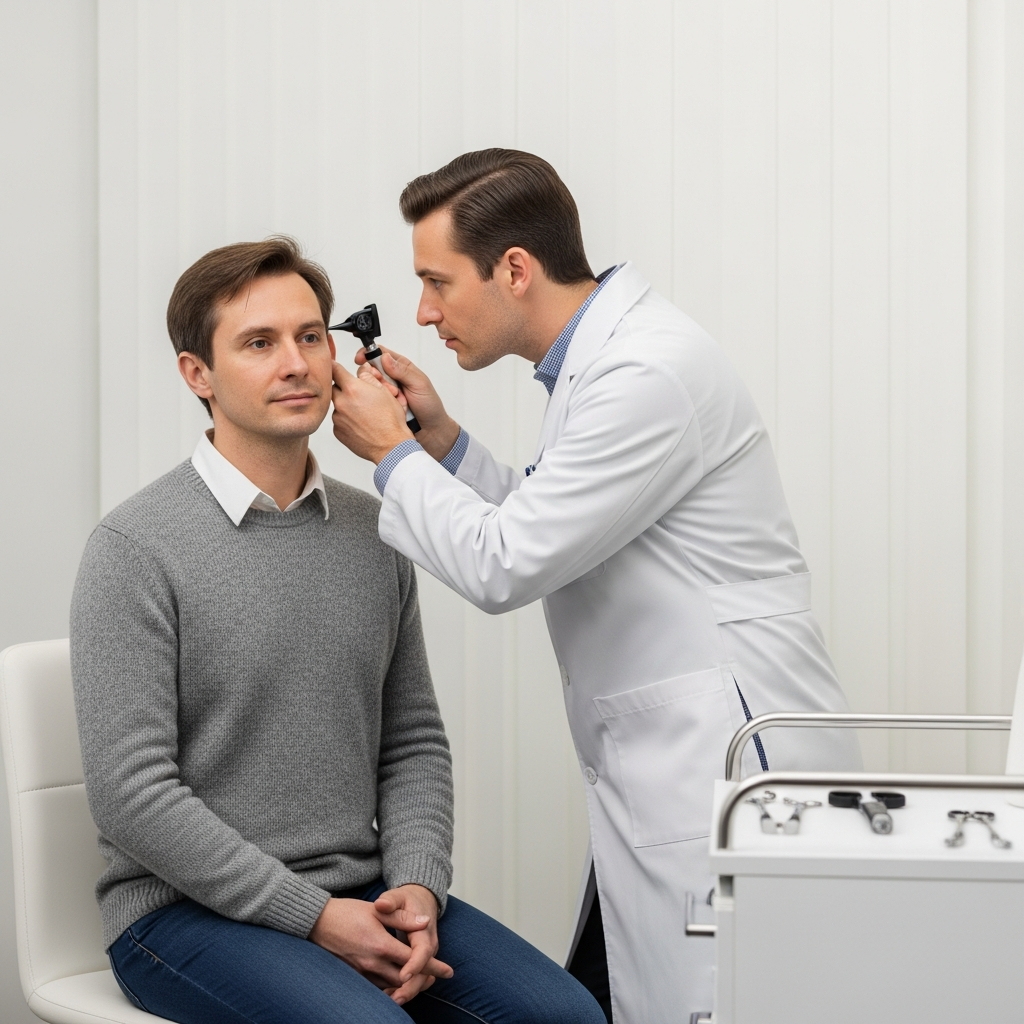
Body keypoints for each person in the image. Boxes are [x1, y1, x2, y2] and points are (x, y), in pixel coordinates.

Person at [329, 149, 863, 1023]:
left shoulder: (643, 372)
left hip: (719, 765)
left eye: (437, 283)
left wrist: (389, 454)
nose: (424, 314)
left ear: (514, 270)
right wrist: (444, 448)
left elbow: (507, 564)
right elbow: (565, 531)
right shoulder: (600, 367)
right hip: (667, 766)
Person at [70, 236, 604, 1024]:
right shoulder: (134, 549)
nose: (296, 363)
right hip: (180, 916)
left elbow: (413, 739)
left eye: (310, 336)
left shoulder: (375, 529)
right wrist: (313, 917)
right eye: (259, 343)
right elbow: (132, 797)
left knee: (567, 1017)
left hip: (365, 893)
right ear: (198, 375)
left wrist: (418, 887)